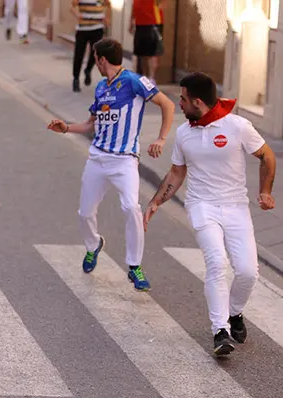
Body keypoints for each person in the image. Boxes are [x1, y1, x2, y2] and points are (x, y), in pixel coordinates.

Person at [143, 72, 276, 356]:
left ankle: (234, 312)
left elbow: (267, 155)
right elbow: (177, 172)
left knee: (248, 272)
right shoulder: (184, 134)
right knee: (217, 262)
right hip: (202, 205)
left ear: (198, 102)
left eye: (183, 98)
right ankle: (220, 331)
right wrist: (156, 201)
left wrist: (265, 191)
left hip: (236, 207)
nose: (179, 103)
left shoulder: (238, 126)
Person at [47, 37, 174, 291]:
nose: (94, 62)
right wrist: (66, 128)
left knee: (131, 208)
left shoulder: (134, 81)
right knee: (85, 213)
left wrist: (161, 138)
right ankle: (94, 244)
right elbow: (89, 124)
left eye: (94, 58)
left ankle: (135, 266)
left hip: (125, 161)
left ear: (101, 59)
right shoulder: (102, 88)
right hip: (98, 158)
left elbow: (167, 104)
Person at [71, 0, 110, 93]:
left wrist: (107, 18)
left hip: (97, 29)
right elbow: (72, 7)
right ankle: (76, 79)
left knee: (96, 53)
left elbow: (108, 5)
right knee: (79, 54)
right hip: (82, 29)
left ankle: (88, 70)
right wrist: (77, 14)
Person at [130, 0, 165, 83]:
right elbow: (134, 5)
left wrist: (159, 6)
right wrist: (131, 20)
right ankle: (145, 78)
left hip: (154, 23)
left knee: (154, 53)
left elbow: (162, 3)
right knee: (142, 54)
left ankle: (152, 78)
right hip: (140, 23)